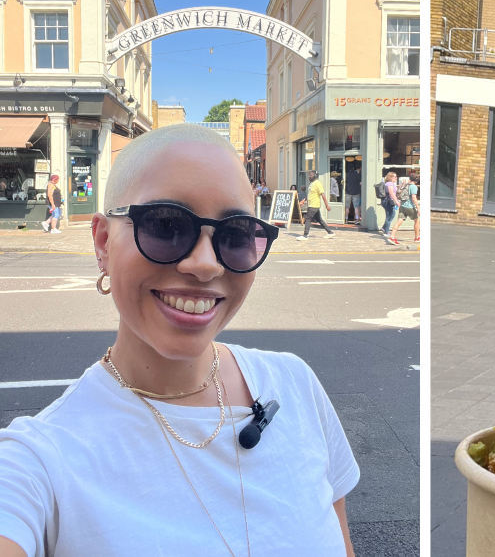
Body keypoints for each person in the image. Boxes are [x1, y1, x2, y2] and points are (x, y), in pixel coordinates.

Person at [0, 123, 358, 556]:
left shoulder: (296, 385)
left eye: (236, 234)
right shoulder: (40, 461)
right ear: (102, 241)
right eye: (166, 225)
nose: (205, 264)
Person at [299, 170, 336, 241]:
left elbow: (323, 194)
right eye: (309, 175)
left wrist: (327, 205)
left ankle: (305, 235)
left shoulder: (317, 183)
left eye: (311, 175)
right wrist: (304, 200)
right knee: (319, 219)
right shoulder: (311, 183)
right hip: (311, 204)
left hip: (314, 204)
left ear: (315, 176)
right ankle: (330, 232)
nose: (309, 176)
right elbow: (310, 194)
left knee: (308, 218)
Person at [380, 172, 400, 237]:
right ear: (391, 177)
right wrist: (397, 202)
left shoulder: (391, 184)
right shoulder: (389, 184)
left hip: (389, 201)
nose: (396, 178)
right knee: (389, 216)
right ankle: (387, 231)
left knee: (392, 215)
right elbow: (391, 193)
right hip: (388, 202)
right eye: (395, 177)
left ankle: (384, 228)